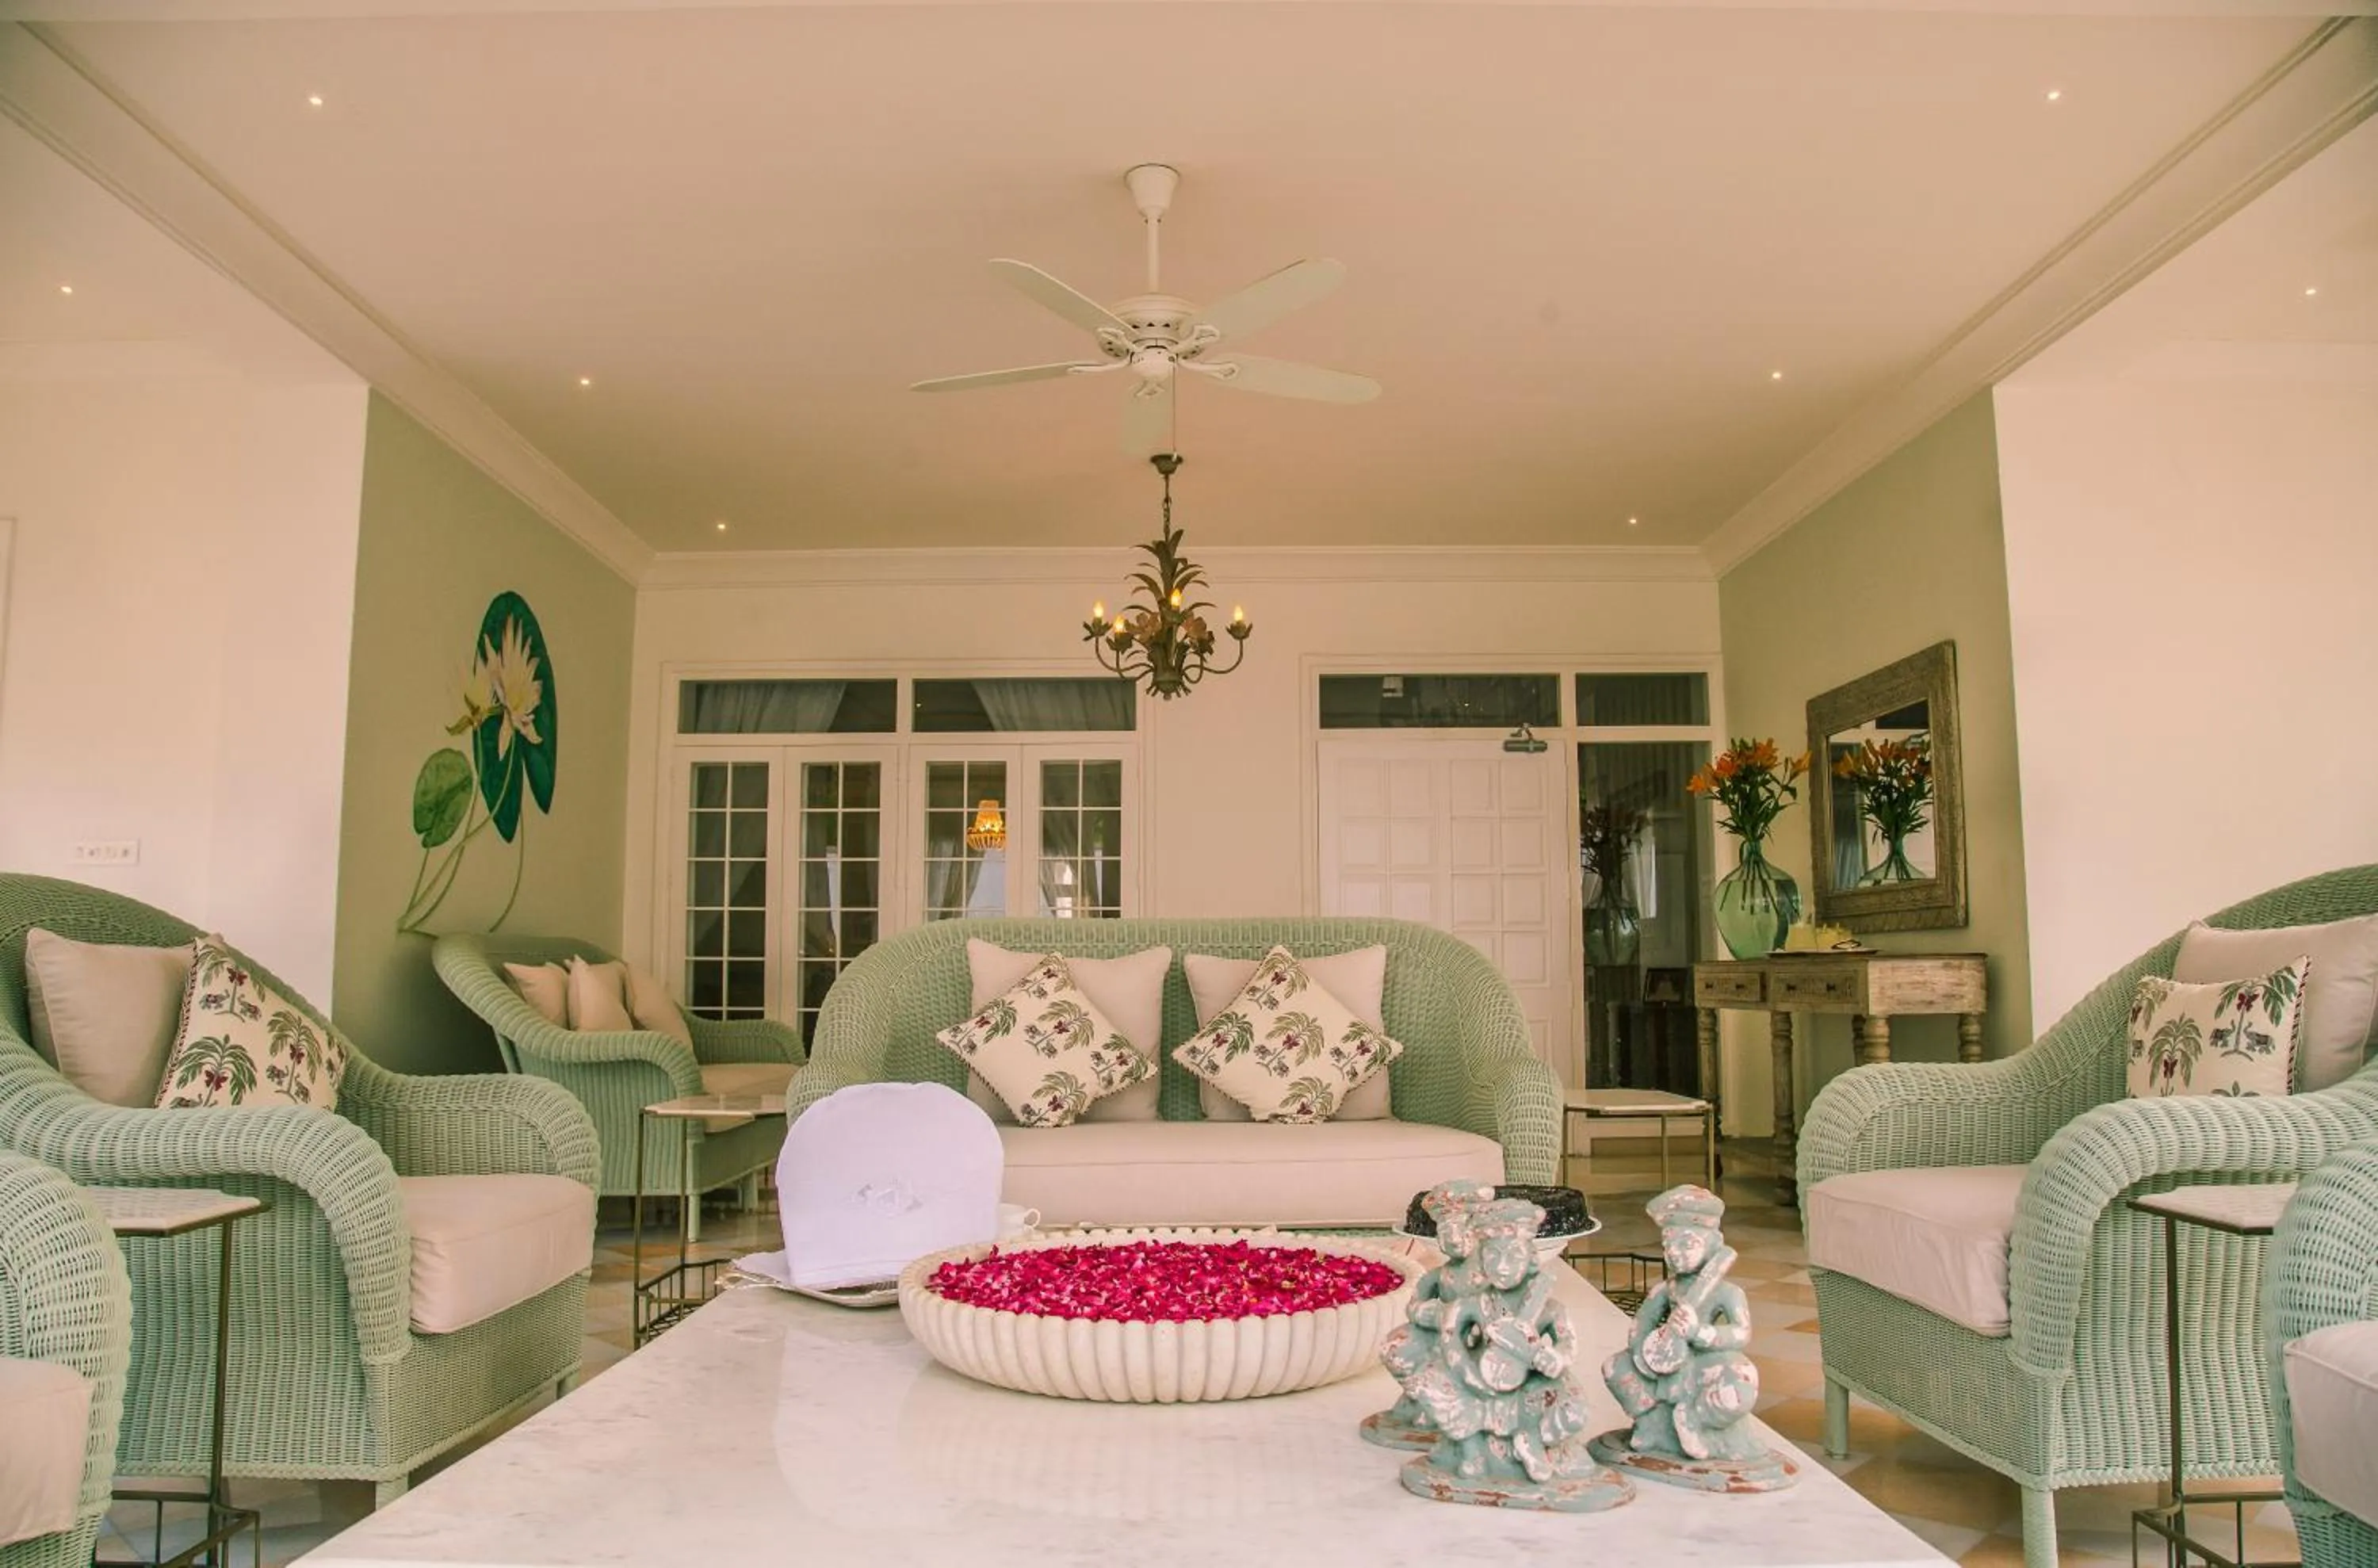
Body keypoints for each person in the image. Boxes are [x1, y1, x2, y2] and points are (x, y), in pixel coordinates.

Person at [1602, 1184, 1764, 1463]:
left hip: (1704, 1365)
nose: (1674, 1252)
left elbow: (1741, 1332)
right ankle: (1651, 1423)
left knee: (1742, 1379)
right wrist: (1646, 1354)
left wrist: (1700, 1332)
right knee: (1614, 1367)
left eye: (1687, 1244)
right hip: (1663, 1365)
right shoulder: (1666, 1291)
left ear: (1713, 1245)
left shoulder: (1728, 1293)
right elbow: (1641, 1324)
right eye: (1667, 1245)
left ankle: (1695, 1419)